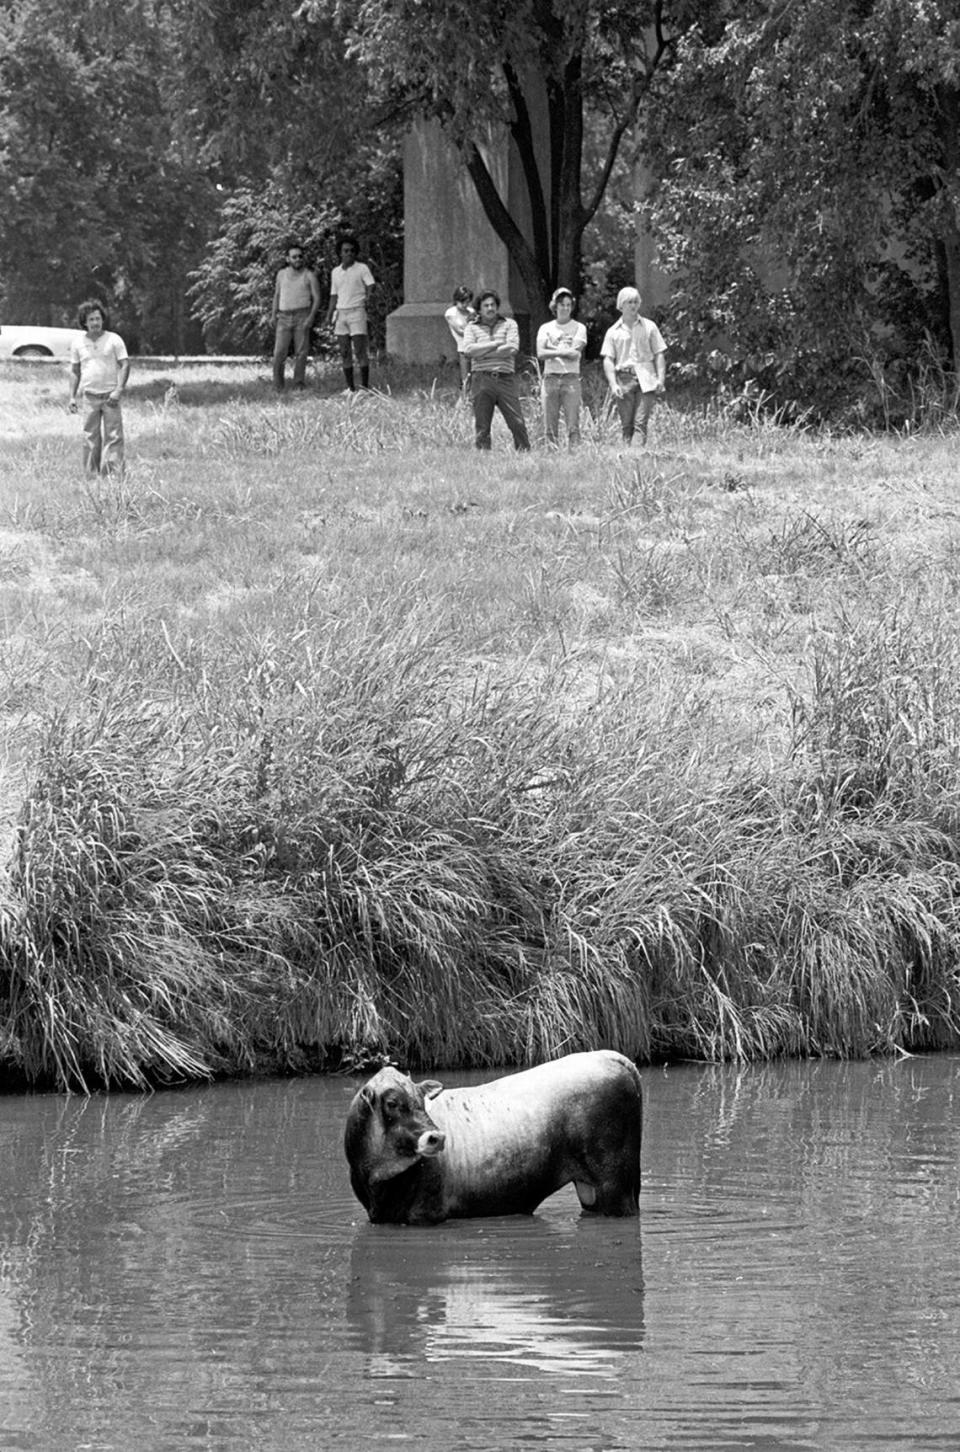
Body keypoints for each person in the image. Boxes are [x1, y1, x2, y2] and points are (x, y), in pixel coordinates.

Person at [462, 290, 531, 451]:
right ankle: (484, 461)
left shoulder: (509, 324)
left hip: (505, 379)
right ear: (479, 309)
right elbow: (469, 351)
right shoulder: (471, 328)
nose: (490, 308)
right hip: (481, 379)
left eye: (493, 304)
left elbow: (512, 348)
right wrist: (495, 344)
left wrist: (482, 352)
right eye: (486, 305)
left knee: (517, 422)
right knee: (482, 425)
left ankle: (525, 456)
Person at [68, 298, 129, 475]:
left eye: (98, 318)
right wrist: (72, 397)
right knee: (90, 437)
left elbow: (125, 364)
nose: (95, 322)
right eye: (91, 319)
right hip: (89, 396)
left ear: (102, 320)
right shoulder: (78, 343)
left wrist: (118, 390)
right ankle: (91, 476)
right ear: (84, 322)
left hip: (111, 396)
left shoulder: (114, 339)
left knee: (114, 436)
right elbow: (75, 371)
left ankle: (113, 476)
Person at [600, 286, 667, 445]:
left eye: (636, 302)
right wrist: (613, 383)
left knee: (640, 423)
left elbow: (659, 353)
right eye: (629, 302)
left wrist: (661, 380)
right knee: (627, 425)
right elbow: (608, 359)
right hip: (624, 378)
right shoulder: (613, 332)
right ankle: (627, 460)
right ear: (621, 305)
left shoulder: (649, 326)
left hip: (646, 377)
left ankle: (637, 457)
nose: (633, 305)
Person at [536, 286, 588, 447]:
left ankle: (574, 455)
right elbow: (540, 353)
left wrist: (551, 349)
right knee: (549, 426)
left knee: (573, 424)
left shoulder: (579, 328)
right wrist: (564, 351)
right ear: (555, 306)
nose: (565, 308)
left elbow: (575, 354)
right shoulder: (545, 328)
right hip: (550, 378)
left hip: (570, 378)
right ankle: (551, 456)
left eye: (568, 304)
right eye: (561, 304)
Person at [327, 237, 375, 391]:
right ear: (340, 253)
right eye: (345, 251)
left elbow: (370, 285)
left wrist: (368, 298)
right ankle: (350, 388)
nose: (349, 253)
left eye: (352, 251)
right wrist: (329, 315)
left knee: (360, 349)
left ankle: (365, 387)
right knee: (344, 351)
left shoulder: (362, 268)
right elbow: (334, 295)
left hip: (357, 311)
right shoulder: (335, 272)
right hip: (341, 313)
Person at [271, 242, 320, 392]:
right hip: (283, 316)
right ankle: (278, 386)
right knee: (279, 353)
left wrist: (311, 316)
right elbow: (277, 295)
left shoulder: (309, 275)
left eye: (300, 256)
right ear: (288, 259)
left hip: (302, 315)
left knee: (301, 352)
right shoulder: (281, 274)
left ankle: (299, 383)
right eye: (294, 257)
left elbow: (317, 298)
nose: (298, 259)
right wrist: (273, 315)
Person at [444, 286, 476, 390]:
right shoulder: (451, 313)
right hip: (464, 349)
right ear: (456, 300)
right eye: (463, 302)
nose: (465, 305)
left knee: (477, 379)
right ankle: (463, 402)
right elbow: (460, 331)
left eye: (468, 302)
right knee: (466, 380)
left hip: (476, 347)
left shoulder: (471, 311)